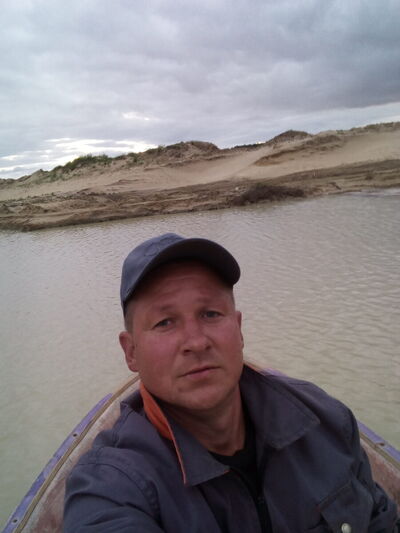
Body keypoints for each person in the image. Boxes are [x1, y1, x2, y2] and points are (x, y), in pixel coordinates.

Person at [64, 232, 399, 532]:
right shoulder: (112, 488)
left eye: (210, 314)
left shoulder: (326, 420)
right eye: (165, 322)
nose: (197, 342)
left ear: (238, 329)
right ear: (131, 352)